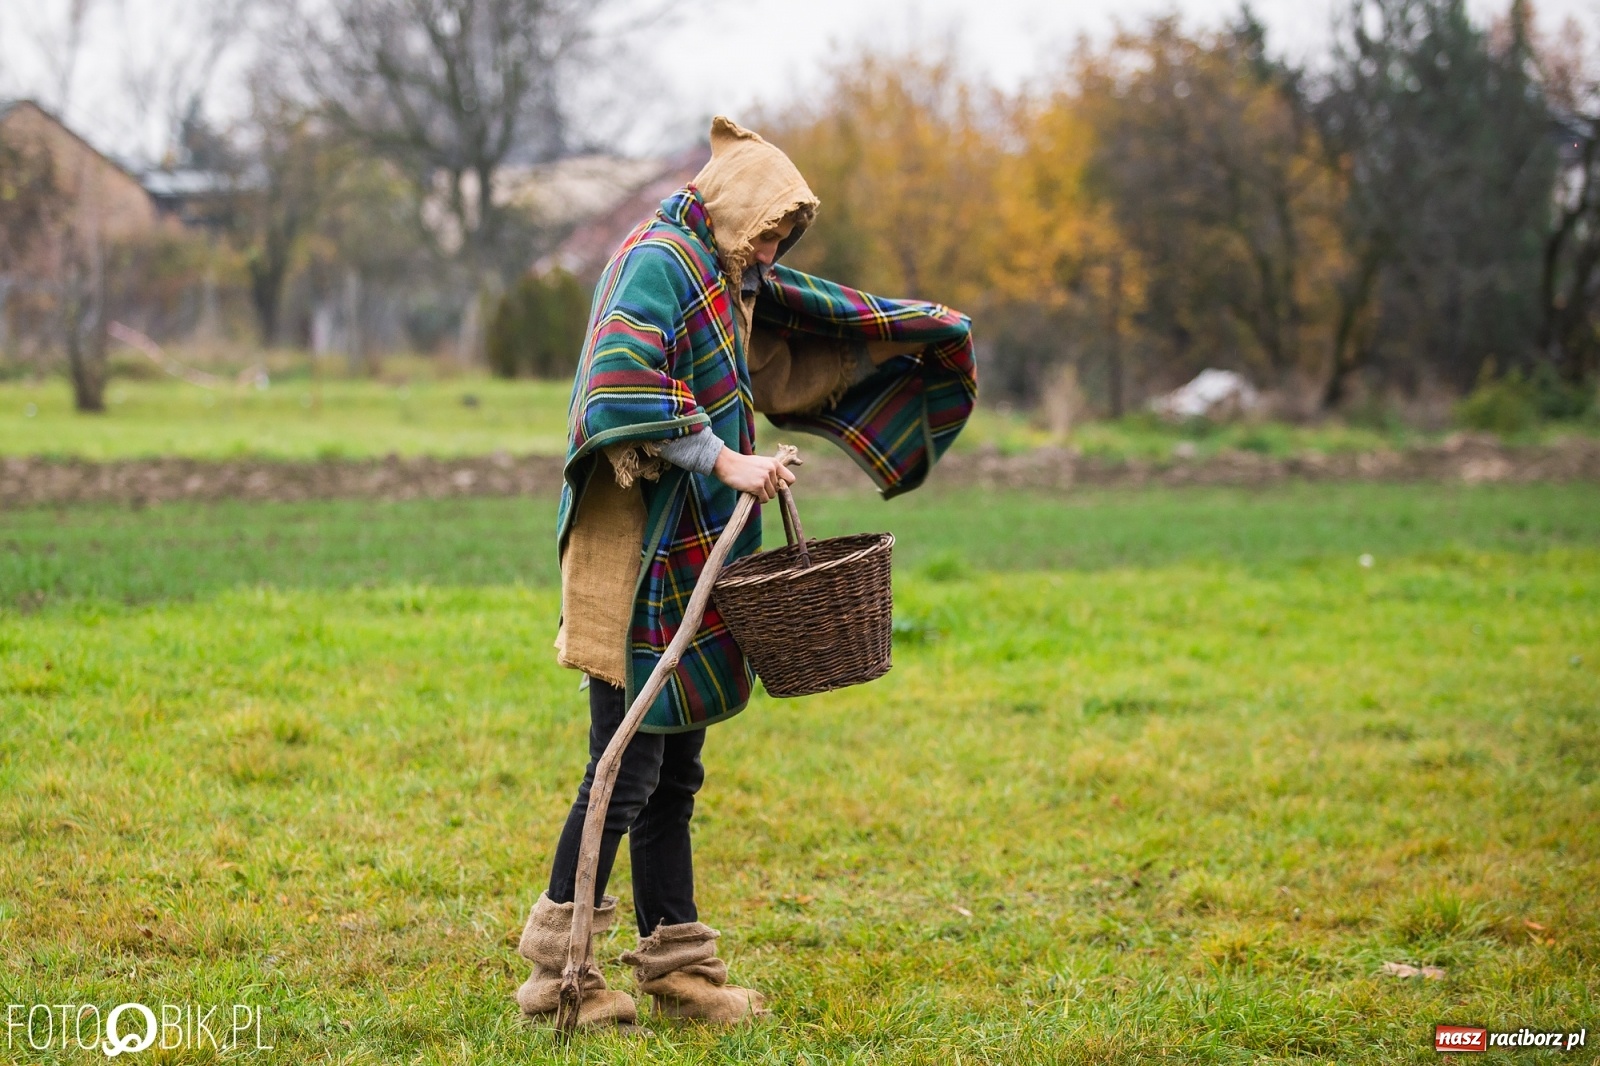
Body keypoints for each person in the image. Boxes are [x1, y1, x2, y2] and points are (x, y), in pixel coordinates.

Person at [514, 116, 977, 1030]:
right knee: (624, 767)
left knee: (675, 772)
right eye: (768, 233)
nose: (771, 252)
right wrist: (726, 460)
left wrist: (921, 336)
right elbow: (618, 383)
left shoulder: (726, 272)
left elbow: (798, 335)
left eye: (782, 239)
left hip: (698, 549)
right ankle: (556, 977)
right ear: (732, 209)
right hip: (637, 555)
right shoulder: (658, 263)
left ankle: (679, 971)